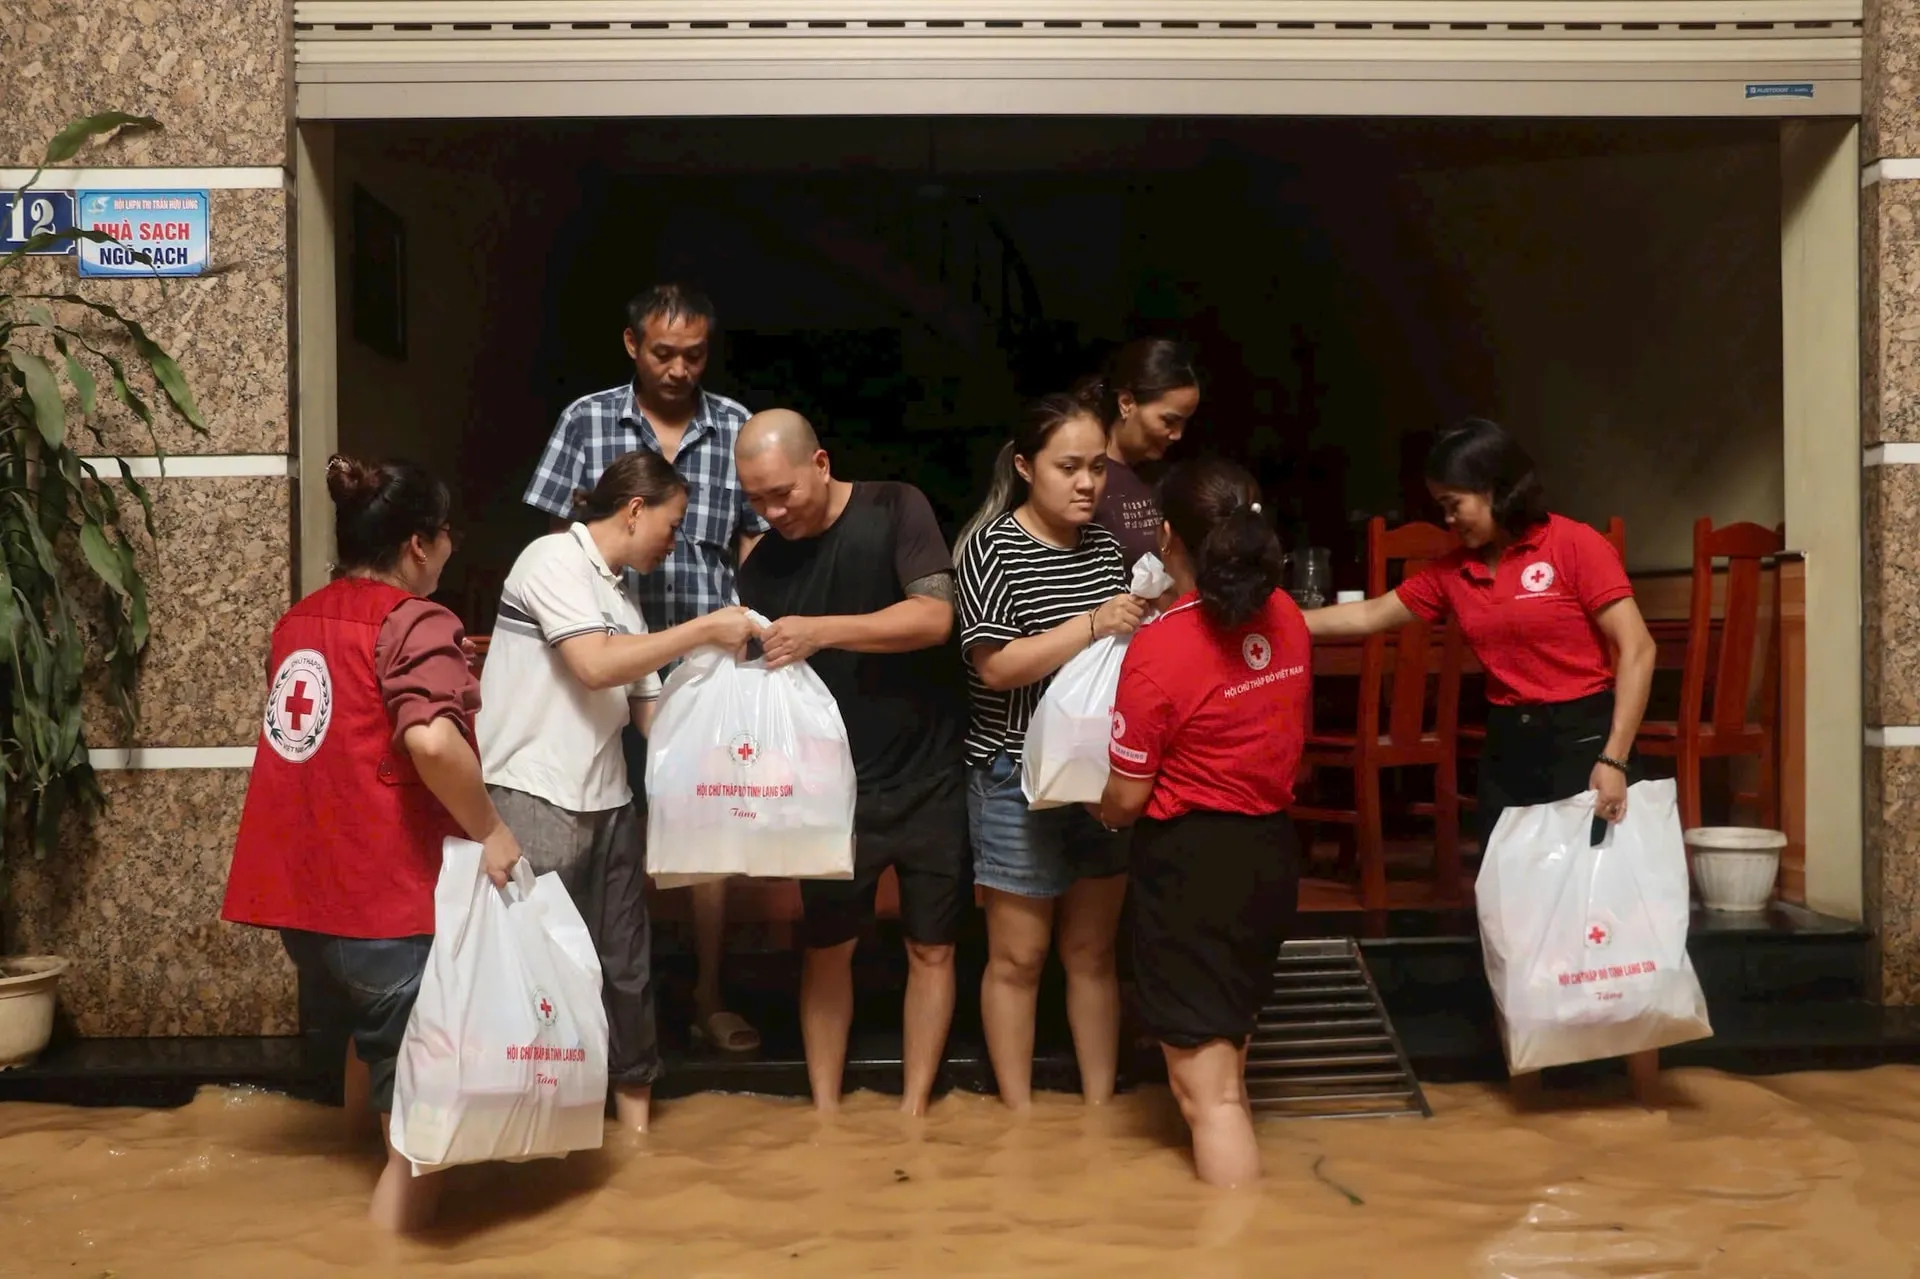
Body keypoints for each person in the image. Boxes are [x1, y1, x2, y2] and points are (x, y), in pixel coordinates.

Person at [1301, 417, 1660, 1096]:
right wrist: (1266, 619)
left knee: (1615, 909)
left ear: (1496, 488)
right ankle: (1528, 1080)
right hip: (1509, 745)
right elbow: (1371, 615)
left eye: (1452, 502)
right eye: (1440, 504)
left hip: (1587, 740)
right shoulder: (1453, 571)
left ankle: (1644, 1089)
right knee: (1514, 912)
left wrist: (1614, 757)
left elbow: (1637, 649)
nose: (1446, 517)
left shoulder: (1574, 544)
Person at [222, 455, 523, 1233]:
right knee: (423, 1127)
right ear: (419, 544)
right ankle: (386, 1249)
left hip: (305, 905)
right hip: (381, 905)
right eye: (448, 533)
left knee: (370, 1042)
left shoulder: (300, 619)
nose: (452, 546)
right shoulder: (419, 620)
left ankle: (349, 1188)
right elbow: (430, 741)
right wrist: (490, 828)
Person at [479, 451, 762, 1133]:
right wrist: (702, 627)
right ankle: (537, 1129)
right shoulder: (549, 561)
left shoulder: (622, 594)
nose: (677, 539)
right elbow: (595, 665)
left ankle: (636, 1136)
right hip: (532, 795)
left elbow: (652, 715)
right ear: (634, 509)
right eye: (674, 524)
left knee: (626, 972)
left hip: (609, 802)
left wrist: (739, 763)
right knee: (541, 972)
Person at [523, 282, 768, 1056]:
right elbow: (559, 548)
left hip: (702, 675)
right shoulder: (586, 421)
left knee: (706, 837)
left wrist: (754, 638)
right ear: (632, 345)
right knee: (597, 830)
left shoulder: (735, 428)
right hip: (600, 668)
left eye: (694, 354)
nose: (678, 368)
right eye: (663, 352)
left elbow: (757, 545)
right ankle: (584, 1007)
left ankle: (707, 993)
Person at [731, 409, 968, 1116]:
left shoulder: (896, 507)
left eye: (783, 494)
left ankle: (913, 1115)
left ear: (822, 464)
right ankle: (828, 1116)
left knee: (933, 947)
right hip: (829, 791)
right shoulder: (764, 567)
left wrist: (821, 633)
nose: (773, 513)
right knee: (827, 948)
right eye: (756, 501)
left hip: (928, 776)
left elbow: (934, 617)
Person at [1094, 457, 1309, 1188]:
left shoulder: (1161, 646)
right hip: (1271, 855)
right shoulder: (1287, 615)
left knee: (1206, 1096)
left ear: (1166, 536)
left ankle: (1235, 1247)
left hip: (1193, 867)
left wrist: (1092, 802)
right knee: (1230, 1075)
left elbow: (1126, 797)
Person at [955, 394, 1146, 1110]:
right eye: (1069, 467)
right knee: (1018, 956)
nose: (1088, 483)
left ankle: (1099, 1110)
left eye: (1098, 466)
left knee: (1093, 952)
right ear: (1026, 465)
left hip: (1098, 775)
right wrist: (1095, 623)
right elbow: (996, 667)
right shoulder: (990, 546)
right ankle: (1020, 1120)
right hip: (1013, 776)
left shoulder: (1103, 547)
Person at [1084, 338, 1201, 569]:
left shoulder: (1168, 477)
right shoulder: (1086, 479)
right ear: (1127, 403)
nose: (1178, 435)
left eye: (1185, 423)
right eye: (1169, 421)